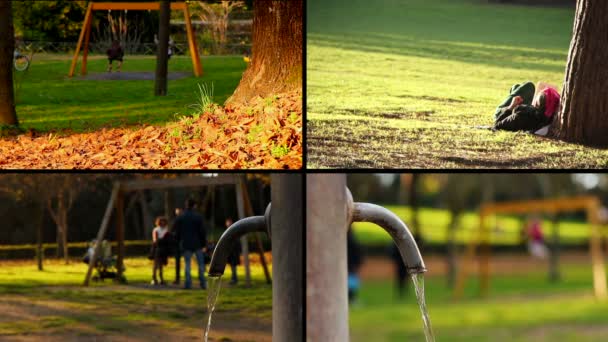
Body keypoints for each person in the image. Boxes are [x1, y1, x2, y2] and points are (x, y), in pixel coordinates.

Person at [493, 81, 560, 133]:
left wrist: (512, 106)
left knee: (528, 85)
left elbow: (497, 125)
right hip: (533, 112)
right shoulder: (550, 118)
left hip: (503, 113)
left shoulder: (521, 116)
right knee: (518, 87)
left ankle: (514, 89)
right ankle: (514, 89)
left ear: (537, 103)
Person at [174, 199, 208, 289]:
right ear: (194, 206)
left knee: (187, 264)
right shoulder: (198, 217)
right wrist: (204, 244)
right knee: (201, 264)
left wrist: (177, 242)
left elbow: (177, 232)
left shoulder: (181, 217)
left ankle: (188, 284)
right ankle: (203, 283)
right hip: (197, 243)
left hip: (186, 243)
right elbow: (202, 232)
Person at [151, 216, 171, 286]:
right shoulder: (156, 230)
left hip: (164, 249)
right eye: (161, 221)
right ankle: (154, 278)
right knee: (156, 264)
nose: (163, 223)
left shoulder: (166, 230)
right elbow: (155, 240)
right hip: (158, 248)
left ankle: (161, 278)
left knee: (161, 264)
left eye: (164, 221)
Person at [347, 228, 363, 303]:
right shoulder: (354, 241)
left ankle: (350, 298)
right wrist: (358, 263)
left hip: (348, 264)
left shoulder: (342, 241)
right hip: (351, 265)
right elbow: (358, 253)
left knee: (350, 282)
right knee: (351, 282)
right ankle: (352, 298)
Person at [225, 217, 241, 285]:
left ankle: (234, 279)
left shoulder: (233, 230)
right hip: (231, 252)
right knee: (232, 266)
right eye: (227, 222)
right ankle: (234, 278)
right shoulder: (229, 230)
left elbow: (236, 242)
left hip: (234, 252)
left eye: (228, 222)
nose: (227, 223)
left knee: (233, 266)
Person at [172, 208, 183, 285]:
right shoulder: (178, 220)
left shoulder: (176, 220)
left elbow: (172, 230)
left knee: (178, 261)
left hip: (179, 242)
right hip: (181, 242)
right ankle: (177, 278)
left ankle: (177, 278)